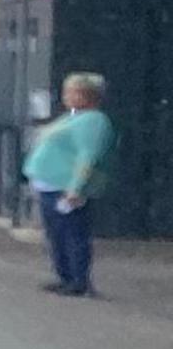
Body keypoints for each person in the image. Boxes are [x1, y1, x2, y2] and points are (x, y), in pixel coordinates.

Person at [26, 71, 117, 297]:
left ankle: (78, 280)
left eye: (72, 91)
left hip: (65, 188)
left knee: (73, 234)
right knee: (56, 234)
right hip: (50, 185)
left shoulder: (93, 122)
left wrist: (75, 188)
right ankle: (65, 276)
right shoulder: (73, 116)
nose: (66, 96)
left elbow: (87, 156)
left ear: (86, 95)